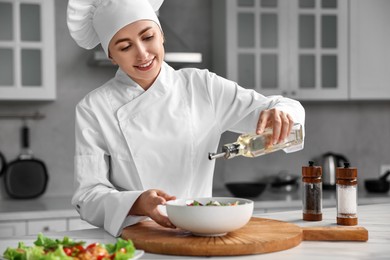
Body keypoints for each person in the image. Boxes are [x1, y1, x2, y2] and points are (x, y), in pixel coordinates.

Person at [67, 0, 305, 237]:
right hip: (138, 238)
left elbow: (280, 106)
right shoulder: (94, 108)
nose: (142, 54)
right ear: (111, 56)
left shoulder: (202, 87)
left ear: (161, 35)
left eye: (148, 37)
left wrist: (283, 114)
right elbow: (87, 196)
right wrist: (138, 202)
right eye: (125, 47)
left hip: (201, 233)